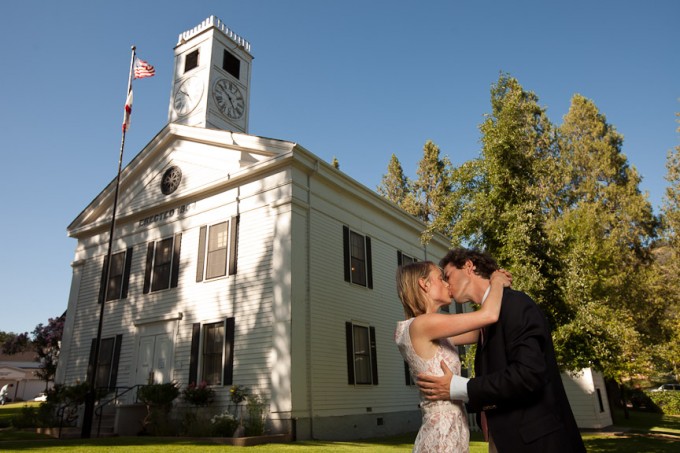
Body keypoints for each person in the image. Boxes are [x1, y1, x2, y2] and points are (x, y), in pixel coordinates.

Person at [416, 248, 586, 453]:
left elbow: (528, 374)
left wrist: (460, 387)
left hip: (536, 441)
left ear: (469, 266)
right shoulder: (485, 321)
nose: (447, 284)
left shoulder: (516, 305)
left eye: (449, 275)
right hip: (505, 439)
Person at [395, 260, 512, 452]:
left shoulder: (433, 330)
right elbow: (488, 316)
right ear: (424, 284)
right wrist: (496, 282)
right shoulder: (424, 324)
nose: (447, 284)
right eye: (440, 279)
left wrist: (475, 289)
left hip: (452, 427)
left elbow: (480, 332)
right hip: (442, 434)